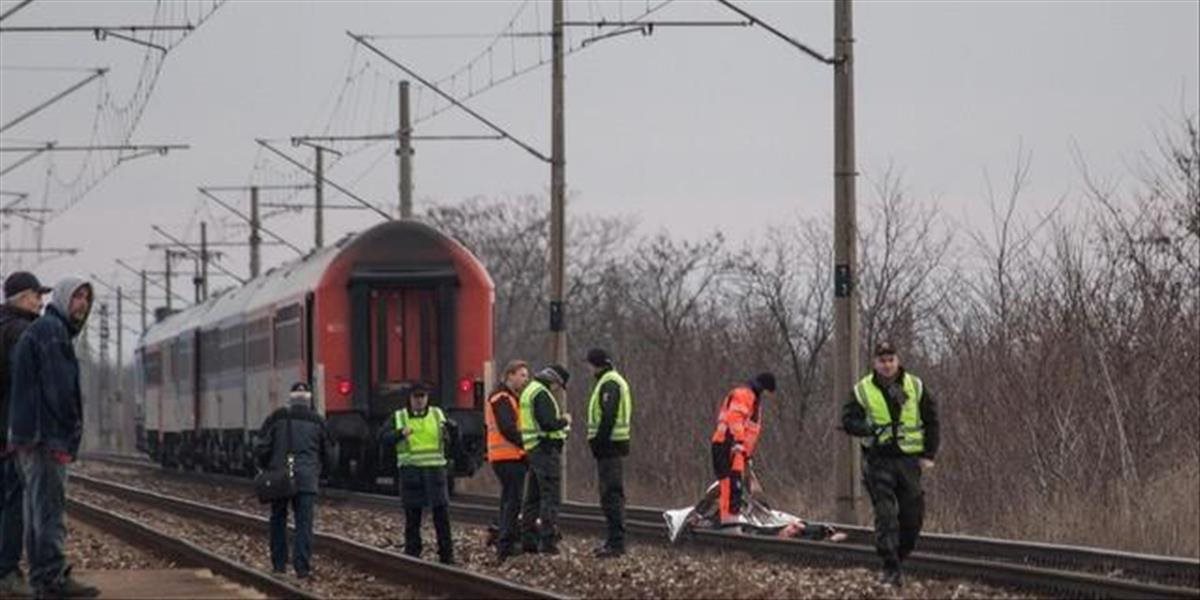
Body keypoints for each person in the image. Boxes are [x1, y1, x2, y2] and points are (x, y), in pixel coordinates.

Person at [6, 276, 98, 598]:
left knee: (36, 510)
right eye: (77, 298)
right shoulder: (52, 334)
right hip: (46, 437)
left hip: (31, 435)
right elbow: (59, 391)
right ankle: (51, 578)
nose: (82, 305)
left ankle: (43, 578)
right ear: (61, 299)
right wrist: (68, 433)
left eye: (86, 299)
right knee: (48, 511)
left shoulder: (43, 331)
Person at [841, 342, 940, 587]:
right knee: (886, 515)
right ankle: (890, 567)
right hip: (879, 460)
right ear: (875, 363)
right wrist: (867, 429)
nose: (887, 365)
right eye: (882, 360)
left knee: (912, 517)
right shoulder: (863, 389)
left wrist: (929, 454)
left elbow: (931, 419)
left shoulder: (915, 386)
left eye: (890, 360)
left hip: (908, 460)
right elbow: (848, 420)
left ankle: (899, 558)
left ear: (897, 360)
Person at [0, 272, 50, 597]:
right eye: (36, 295)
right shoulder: (21, 333)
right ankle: (10, 571)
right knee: (19, 502)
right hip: (14, 430)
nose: (40, 301)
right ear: (21, 297)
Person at [254, 382, 332, 579]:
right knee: (304, 523)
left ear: (290, 399)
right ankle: (302, 567)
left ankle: (279, 565)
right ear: (309, 401)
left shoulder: (277, 417)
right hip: (307, 478)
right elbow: (330, 452)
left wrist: (265, 466)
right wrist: (323, 473)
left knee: (278, 519)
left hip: (281, 476)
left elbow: (261, 447)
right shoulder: (318, 421)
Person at [378, 383, 458, 564]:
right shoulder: (399, 417)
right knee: (413, 518)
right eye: (416, 397)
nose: (420, 400)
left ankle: (447, 555)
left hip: (435, 472)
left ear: (427, 398)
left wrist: (452, 431)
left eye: (423, 397)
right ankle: (413, 554)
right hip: (411, 473)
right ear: (410, 398)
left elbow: (452, 437)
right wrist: (399, 434)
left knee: (442, 517)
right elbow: (382, 437)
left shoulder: (438, 415)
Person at [710, 372, 776, 526]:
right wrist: (738, 442)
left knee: (734, 487)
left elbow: (749, 431)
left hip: (736, 449)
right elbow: (735, 418)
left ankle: (729, 521)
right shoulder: (745, 395)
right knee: (730, 486)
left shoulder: (752, 400)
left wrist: (747, 456)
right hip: (728, 445)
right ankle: (728, 523)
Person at [584, 348, 632, 558]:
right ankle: (614, 541)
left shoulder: (609, 383)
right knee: (611, 493)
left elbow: (608, 415)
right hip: (612, 446)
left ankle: (616, 543)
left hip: (609, 446)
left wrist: (599, 441)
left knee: (610, 494)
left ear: (595, 364)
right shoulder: (611, 381)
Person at [519, 364, 571, 555]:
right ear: (554, 380)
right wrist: (565, 420)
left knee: (532, 498)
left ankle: (528, 539)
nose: (557, 389)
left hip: (533, 449)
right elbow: (548, 424)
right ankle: (548, 541)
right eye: (559, 385)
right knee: (550, 496)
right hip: (545, 450)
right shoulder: (541, 393)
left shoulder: (529, 390)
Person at [484, 360, 530, 561]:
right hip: (508, 456)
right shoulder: (502, 398)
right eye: (522, 375)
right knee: (513, 501)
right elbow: (508, 428)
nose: (525, 379)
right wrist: (526, 444)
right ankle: (506, 544)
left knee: (509, 500)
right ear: (510, 375)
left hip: (507, 456)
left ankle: (504, 540)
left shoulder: (508, 397)